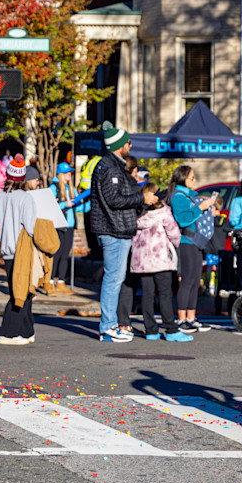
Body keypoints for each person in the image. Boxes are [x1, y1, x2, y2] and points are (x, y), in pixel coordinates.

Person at [89, 125, 157, 342]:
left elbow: (119, 196)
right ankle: (108, 327)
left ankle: (111, 324)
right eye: (128, 142)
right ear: (120, 145)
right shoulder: (110, 167)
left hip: (116, 228)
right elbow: (114, 199)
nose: (130, 145)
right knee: (113, 279)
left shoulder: (113, 165)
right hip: (114, 229)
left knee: (115, 279)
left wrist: (140, 199)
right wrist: (141, 198)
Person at [129, 182, 194, 342]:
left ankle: (151, 330)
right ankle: (171, 329)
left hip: (142, 261)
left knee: (147, 295)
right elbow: (174, 234)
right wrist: (172, 247)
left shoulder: (138, 214)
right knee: (165, 294)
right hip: (160, 258)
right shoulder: (164, 212)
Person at [0, 155, 43, 345]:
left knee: (20, 290)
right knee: (22, 292)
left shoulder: (0, 196)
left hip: (6, 249)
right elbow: (31, 228)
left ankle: (26, 330)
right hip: (22, 250)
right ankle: (8, 332)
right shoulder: (25, 198)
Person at [170, 165, 217, 333]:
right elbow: (183, 219)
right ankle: (181, 319)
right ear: (183, 178)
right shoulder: (178, 196)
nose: (194, 180)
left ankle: (191, 318)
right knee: (187, 280)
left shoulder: (190, 196)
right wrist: (201, 208)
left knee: (195, 281)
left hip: (196, 242)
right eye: (191, 177)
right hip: (186, 241)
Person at [49, 161, 86, 296]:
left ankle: (61, 282)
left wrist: (88, 203)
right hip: (58, 225)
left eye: (70, 172)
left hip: (69, 225)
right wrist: (66, 204)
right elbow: (50, 206)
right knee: (56, 254)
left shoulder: (72, 189)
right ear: (60, 174)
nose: (69, 174)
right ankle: (49, 282)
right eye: (66, 173)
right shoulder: (53, 188)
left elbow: (79, 208)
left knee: (65, 255)